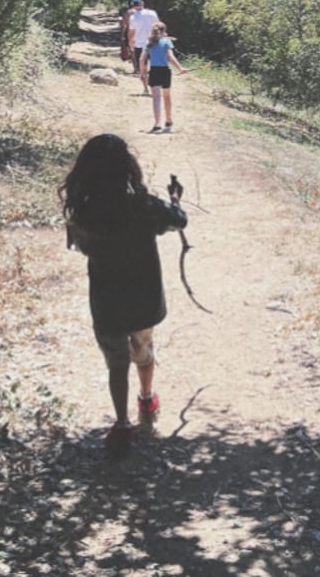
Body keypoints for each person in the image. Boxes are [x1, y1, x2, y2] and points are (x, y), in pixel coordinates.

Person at [60, 133, 187, 457]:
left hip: (106, 301)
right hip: (144, 298)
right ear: (127, 168)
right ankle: (146, 398)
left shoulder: (83, 212)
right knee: (143, 349)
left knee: (116, 362)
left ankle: (121, 424)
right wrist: (174, 200)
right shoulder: (143, 206)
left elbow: (81, 246)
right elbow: (179, 220)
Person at [140, 21, 189, 133]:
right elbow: (171, 57)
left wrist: (142, 73)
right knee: (166, 96)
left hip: (154, 71)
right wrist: (180, 68)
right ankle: (168, 120)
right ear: (164, 31)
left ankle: (157, 124)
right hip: (165, 71)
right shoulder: (166, 42)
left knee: (156, 98)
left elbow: (142, 59)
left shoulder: (148, 42)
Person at [127, 0, 159, 92]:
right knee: (155, 65)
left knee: (142, 67)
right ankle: (155, 85)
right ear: (143, 4)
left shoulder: (133, 17)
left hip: (139, 44)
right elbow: (158, 26)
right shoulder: (152, 13)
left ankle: (145, 88)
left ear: (134, 6)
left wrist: (130, 42)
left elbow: (131, 32)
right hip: (153, 43)